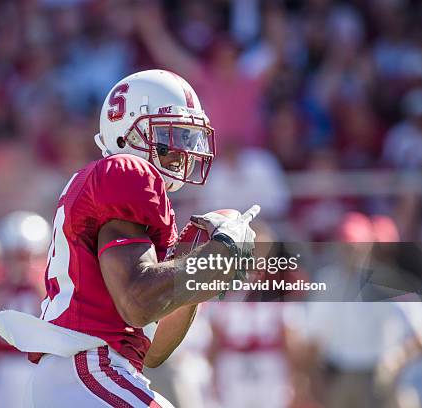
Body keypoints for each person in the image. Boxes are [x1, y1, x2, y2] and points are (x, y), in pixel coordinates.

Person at [22, 70, 260, 407]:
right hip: (89, 371)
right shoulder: (126, 173)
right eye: (170, 136)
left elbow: (154, 351)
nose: (183, 151)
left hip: (95, 373)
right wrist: (215, 258)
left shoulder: (134, 197)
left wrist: (198, 270)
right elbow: (137, 303)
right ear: (125, 132)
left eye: (189, 138)